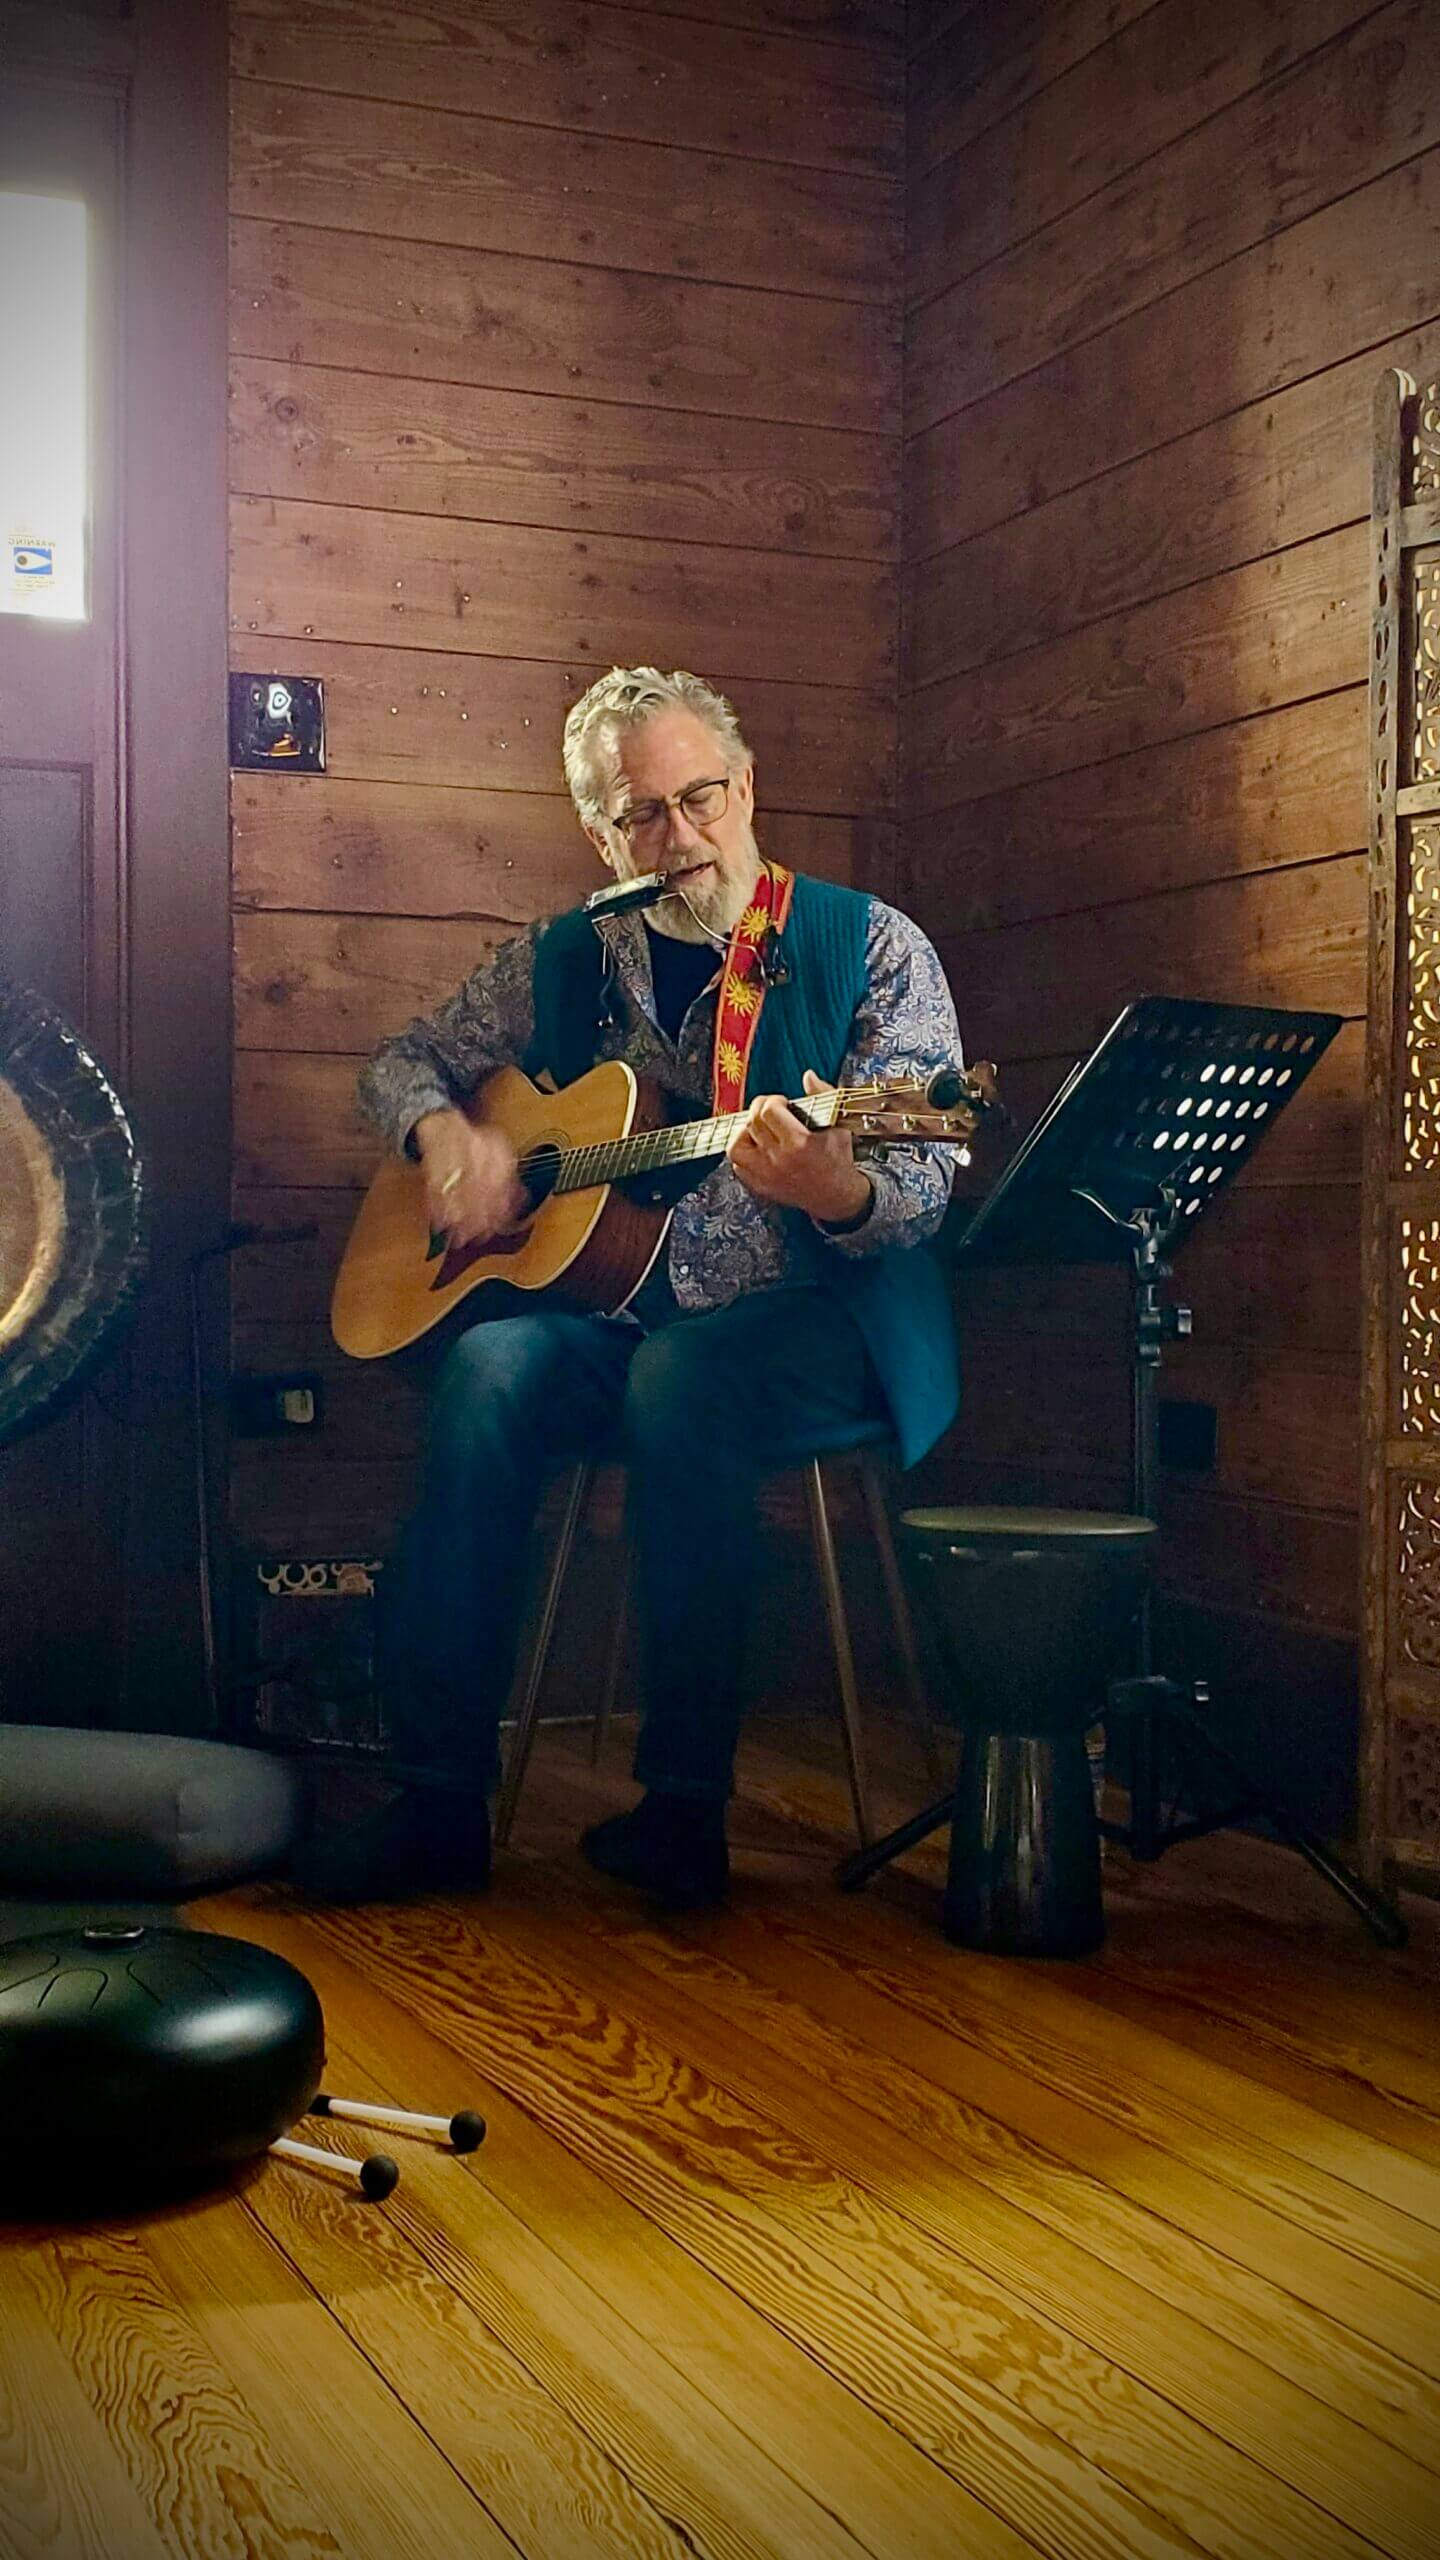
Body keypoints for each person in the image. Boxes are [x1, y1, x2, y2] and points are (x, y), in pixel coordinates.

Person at [320, 666, 964, 1907]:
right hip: (623, 1321)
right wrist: (445, 1143)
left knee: (688, 1378)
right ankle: (437, 1799)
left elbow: (922, 1175)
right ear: (600, 831)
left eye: (701, 797)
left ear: (747, 785)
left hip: (822, 1324)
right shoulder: (572, 954)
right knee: (487, 1368)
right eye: (644, 816)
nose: (682, 836)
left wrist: (836, 1185)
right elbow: (400, 1062)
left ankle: (685, 1807)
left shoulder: (869, 943)